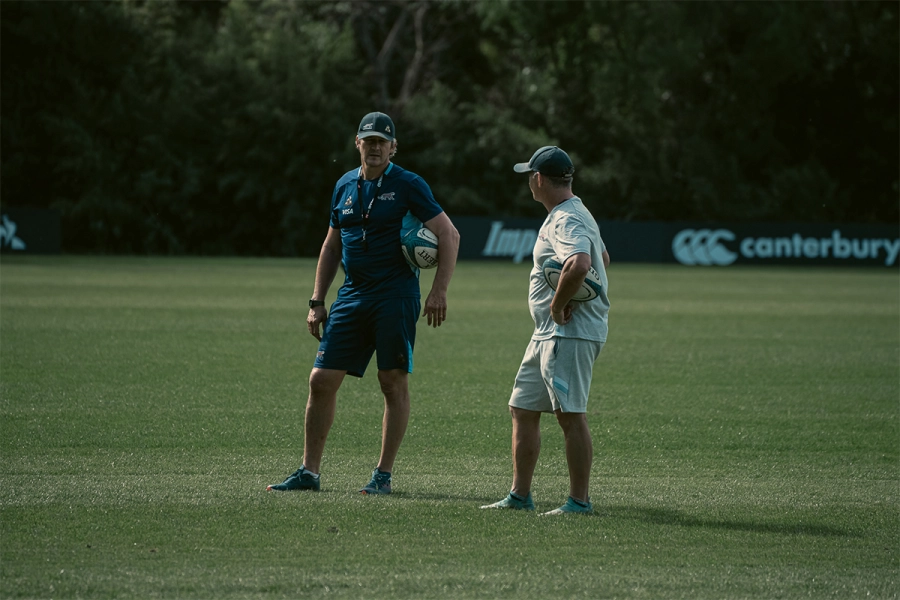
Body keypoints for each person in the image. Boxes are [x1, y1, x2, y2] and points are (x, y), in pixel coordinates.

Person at [268, 112, 460, 495]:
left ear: (393, 147)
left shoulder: (409, 184)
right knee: (320, 380)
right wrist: (317, 300)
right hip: (352, 295)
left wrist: (438, 291)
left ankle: (382, 475)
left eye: (381, 142)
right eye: (368, 140)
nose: (374, 147)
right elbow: (331, 245)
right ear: (357, 143)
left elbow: (449, 234)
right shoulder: (344, 185)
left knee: (392, 382)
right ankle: (309, 472)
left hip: (395, 297)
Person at [481, 146, 610, 515]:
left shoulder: (567, 218)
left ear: (538, 179)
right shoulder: (571, 212)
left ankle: (579, 502)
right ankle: (520, 496)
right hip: (547, 333)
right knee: (522, 407)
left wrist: (557, 304)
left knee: (570, 414)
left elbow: (581, 263)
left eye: (529, 175)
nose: (528, 182)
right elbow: (603, 258)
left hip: (567, 331)